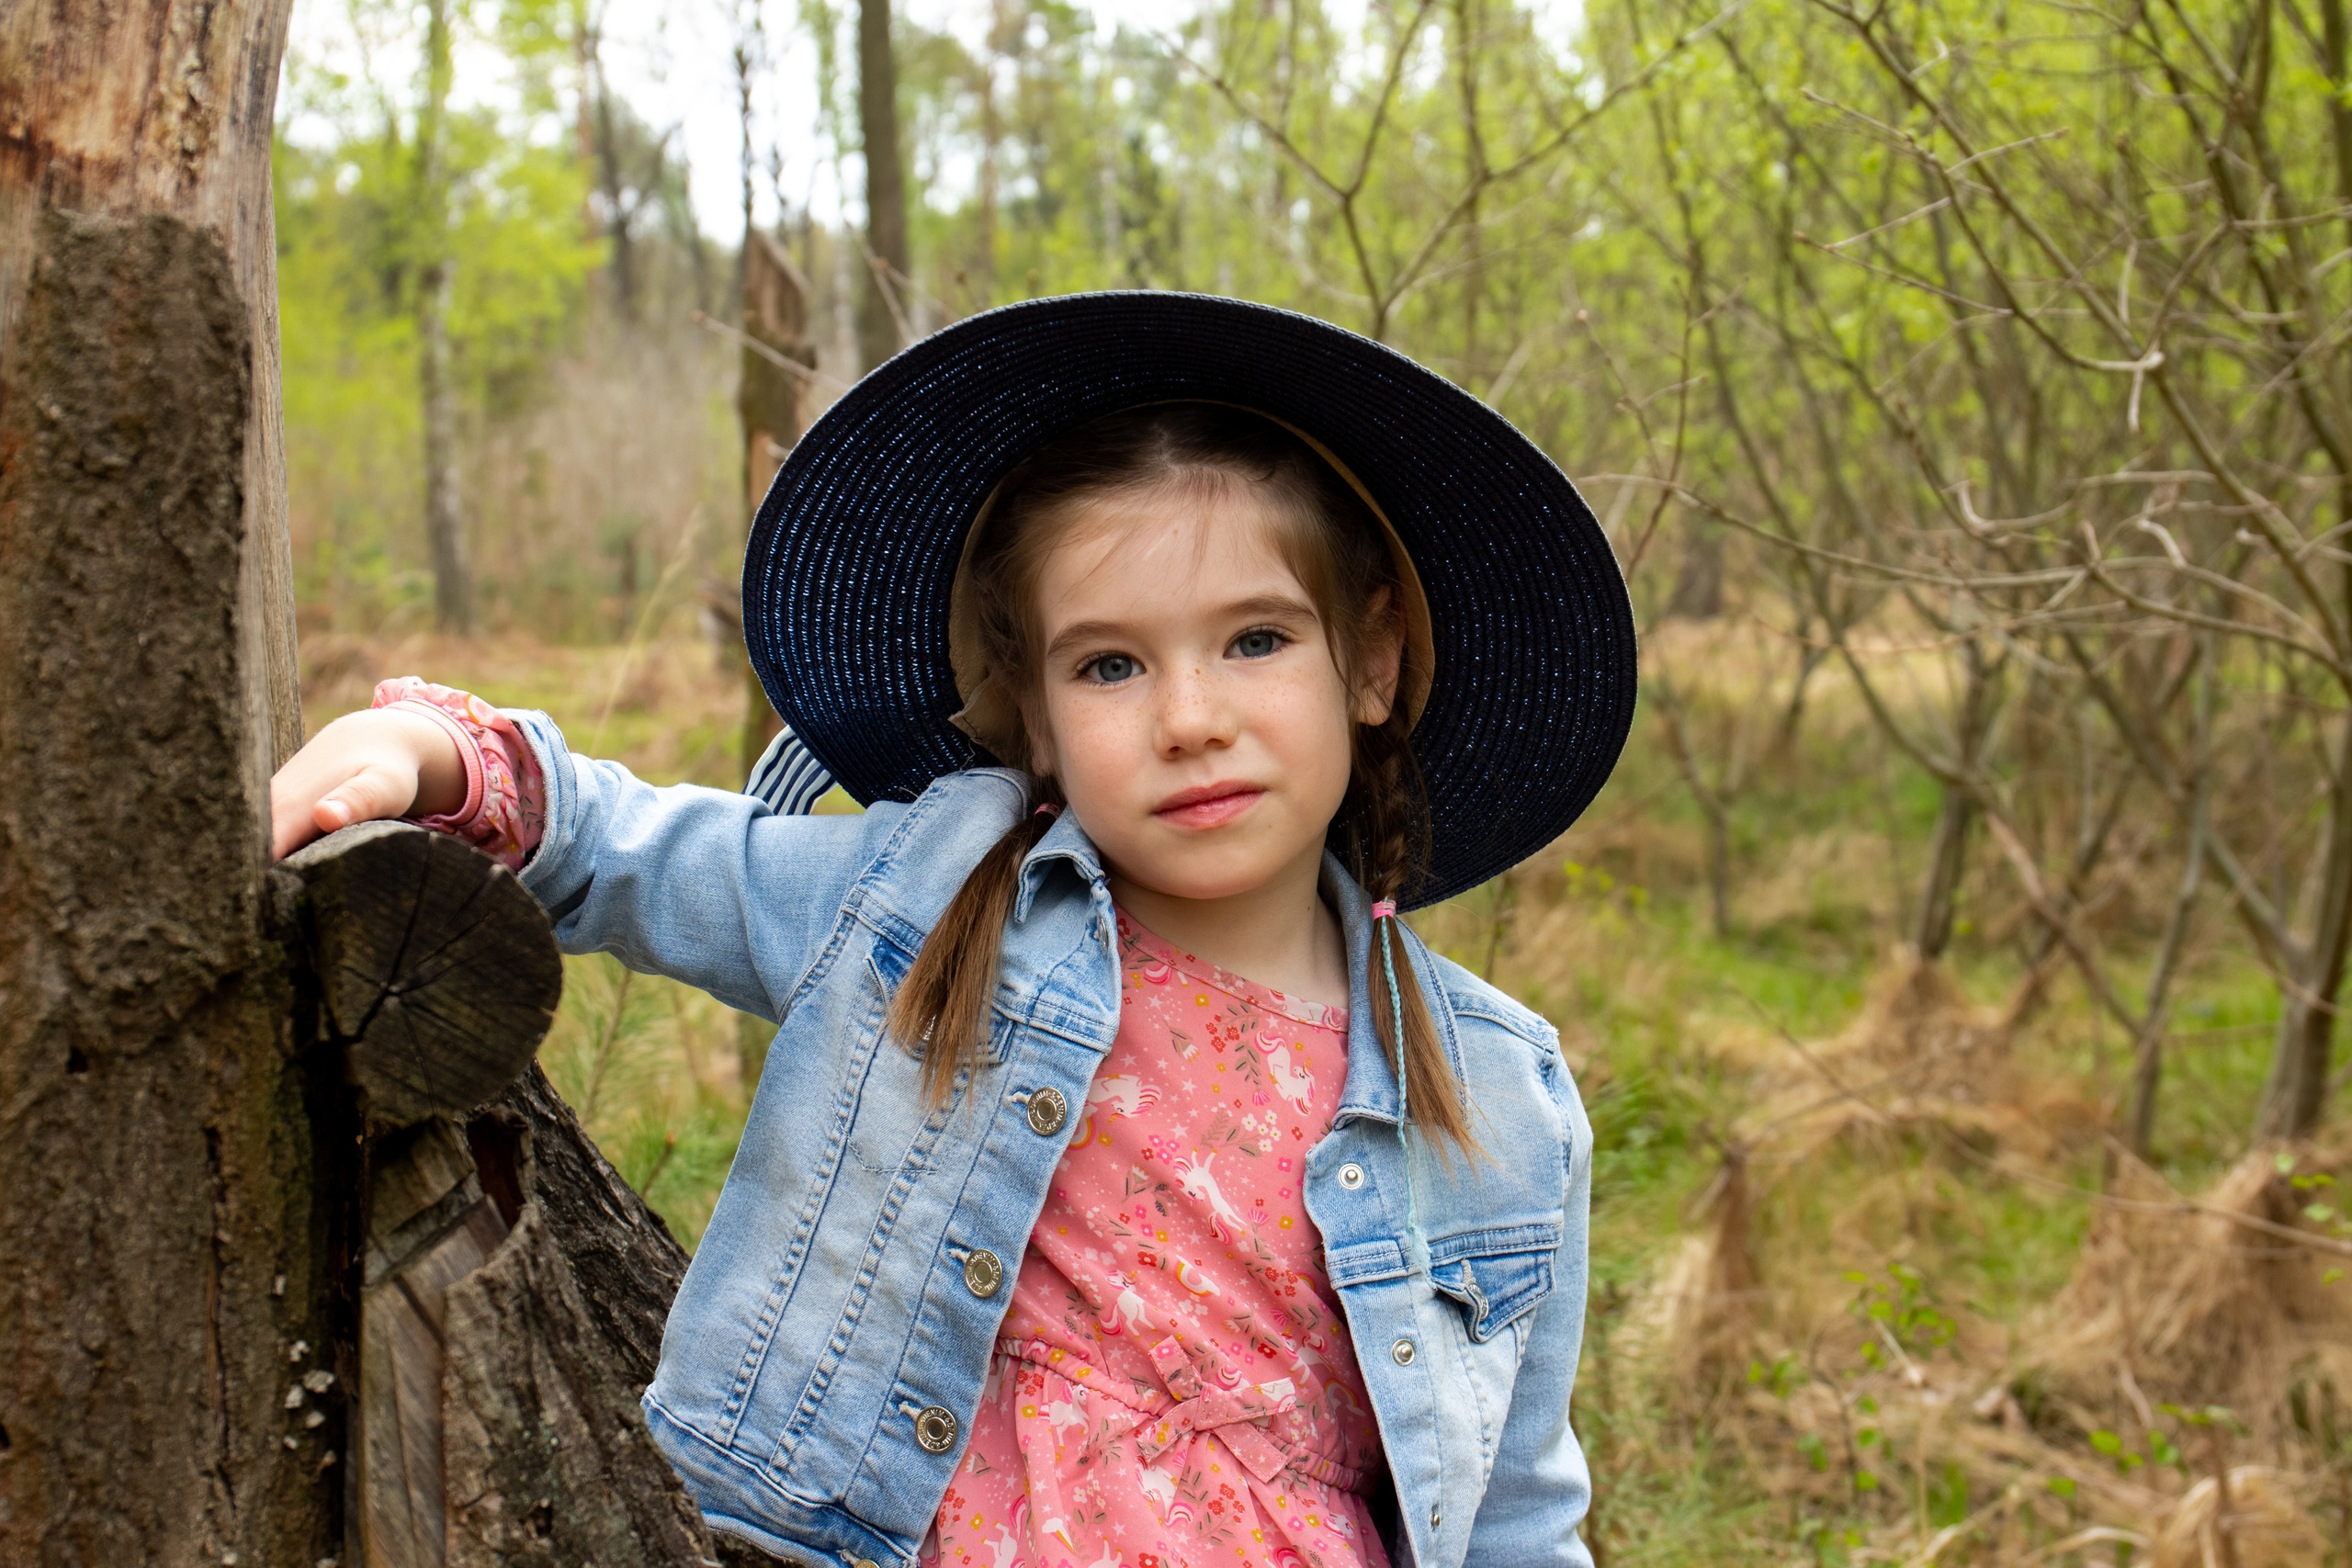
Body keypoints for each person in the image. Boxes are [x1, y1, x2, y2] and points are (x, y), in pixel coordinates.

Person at [271, 294, 1636, 1568]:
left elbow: (1516, 1512)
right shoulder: (931, 901)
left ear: (1376, 662)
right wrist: (422, 751)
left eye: (1258, 640)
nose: (1190, 716)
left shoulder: (1503, 1097)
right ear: (1034, 714)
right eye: (1110, 664)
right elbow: (622, 847)